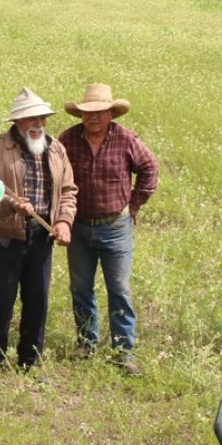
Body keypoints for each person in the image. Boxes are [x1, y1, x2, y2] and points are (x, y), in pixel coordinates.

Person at [59, 84, 158, 376]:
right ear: (81, 114)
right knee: (80, 287)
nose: (93, 117)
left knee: (119, 289)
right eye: (88, 112)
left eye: (100, 112)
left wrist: (136, 204)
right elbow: (53, 170)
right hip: (78, 226)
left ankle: (123, 351)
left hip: (115, 226)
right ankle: (86, 343)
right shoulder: (67, 140)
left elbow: (150, 168)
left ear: (110, 113)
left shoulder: (126, 139)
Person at [0, 88, 77, 368]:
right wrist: (11, 204)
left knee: (37, 301)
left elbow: (69, 190)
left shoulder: (56, 149)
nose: (39, 124)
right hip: (7, 238)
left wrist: (63, 221)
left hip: (42, 236)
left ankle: (30, 360)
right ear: (17, 122)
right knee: (1, 300)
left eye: (42, 118)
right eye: (31, 119)